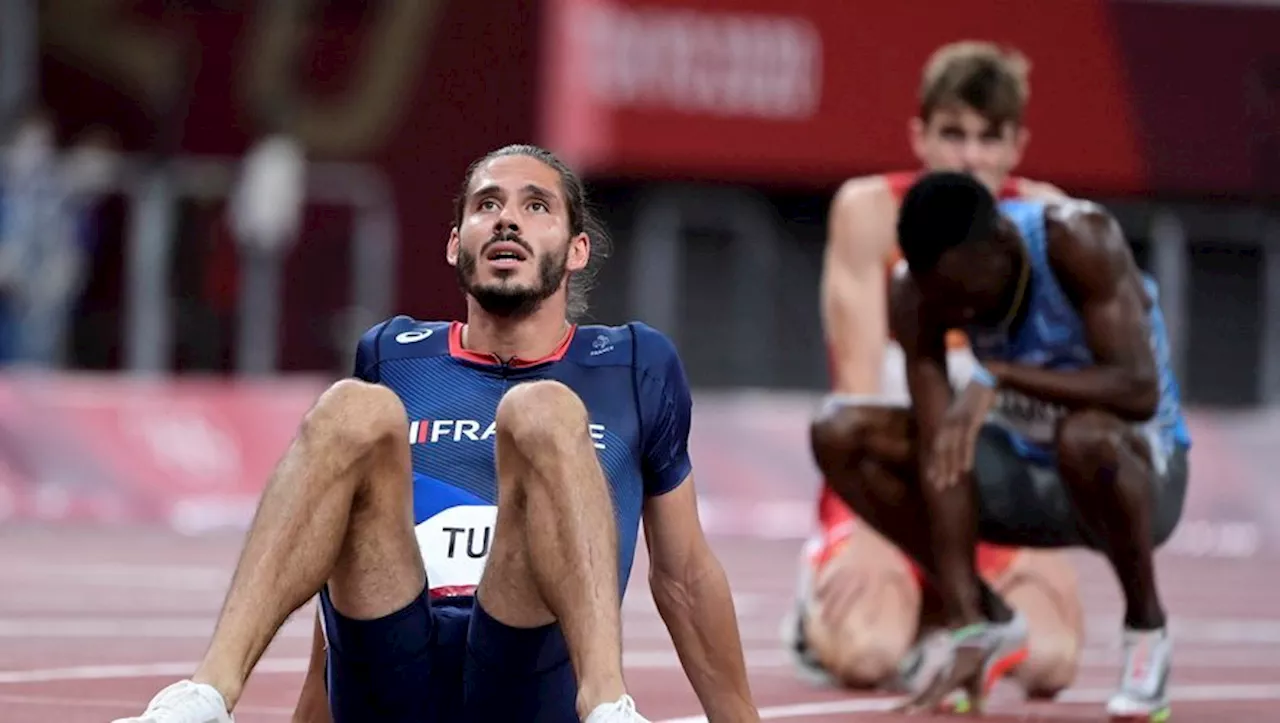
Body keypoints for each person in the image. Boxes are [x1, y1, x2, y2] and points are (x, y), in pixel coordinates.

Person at [113, 145, 760, 723]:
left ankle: (607, 708)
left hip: (529, 673)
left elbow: (683, 573)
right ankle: (205, 697)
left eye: (536, 206)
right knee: (350, 409)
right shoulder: (394, 355)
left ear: (577, 248)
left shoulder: (635, 364)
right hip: (396, 668)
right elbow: (342, 554)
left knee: (542, 410)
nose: (507, 219)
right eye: (487, 205)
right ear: (455, 243)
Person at [812, 170, 1189, 720]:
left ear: (1001, 247)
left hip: (1135, 474)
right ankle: (986, 623)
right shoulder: (917, 293)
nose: (961, 315)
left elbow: (1137, 390)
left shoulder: (1078, 239)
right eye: (944, 301)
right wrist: (964, 617)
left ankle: (1147, 631)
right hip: (1019, 474)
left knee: (1085, 437)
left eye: (966, 296)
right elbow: (943, 458)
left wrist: (1003, 375)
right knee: (842, 432)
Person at [786, 41, 1083, 705]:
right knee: (866, 650)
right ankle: (858, 606)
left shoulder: (1048, 222)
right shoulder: (869, 213)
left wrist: (1044, 536)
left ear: (1016, 146)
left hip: (993, 502)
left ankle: (952, 618)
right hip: (888, 489)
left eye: (988, 137)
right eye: (953, 134)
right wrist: (863, 526)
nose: (970, 157)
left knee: (1053, 660)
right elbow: (858, 390)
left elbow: (1048, 397)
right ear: (920, 137)